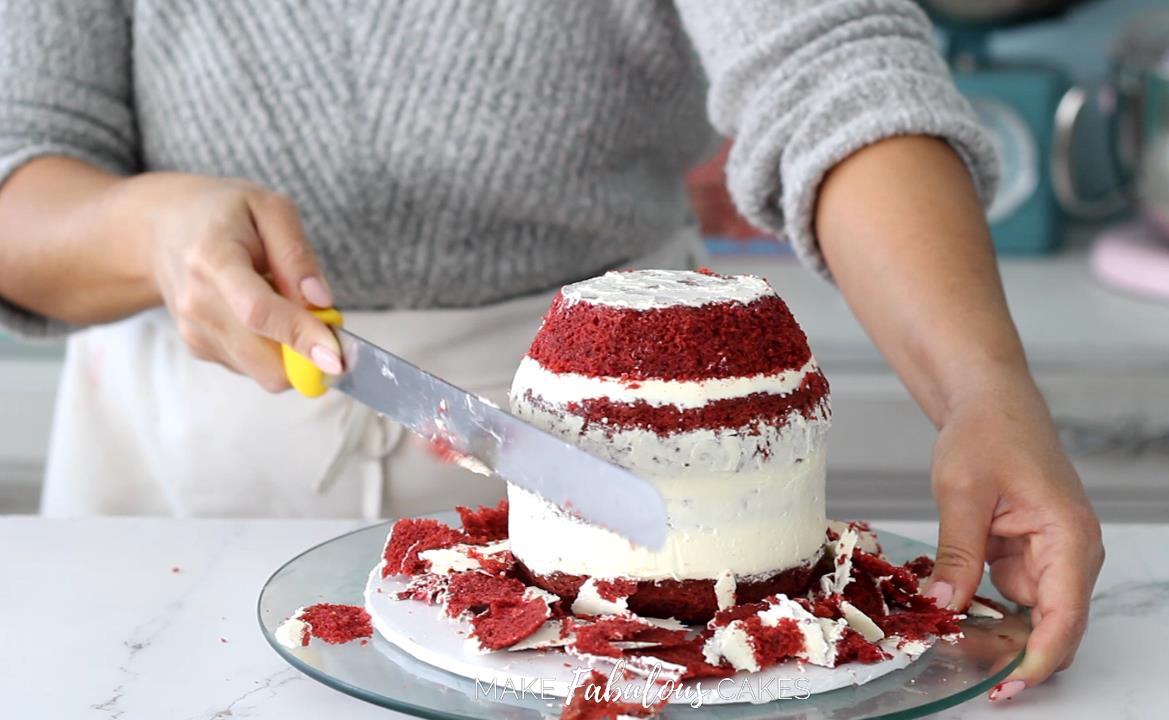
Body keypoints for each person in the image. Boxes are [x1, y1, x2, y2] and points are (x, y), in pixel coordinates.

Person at [0, 0, 1102, 700]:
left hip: (616, 414)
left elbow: (830, 65)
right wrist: (148, 231)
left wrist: (979, 388)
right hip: (188, 446)